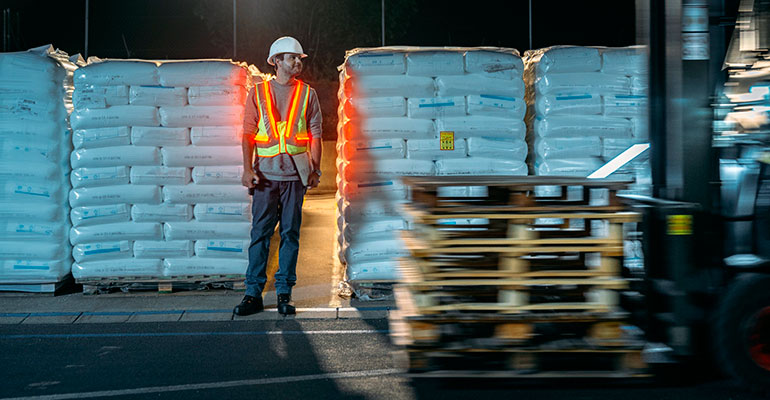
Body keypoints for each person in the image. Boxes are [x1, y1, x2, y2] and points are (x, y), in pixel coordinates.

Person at [234, 36, 323, 316]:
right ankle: (253, 294)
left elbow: (316, 135)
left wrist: (315, 169)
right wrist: (247, 169)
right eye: (292, 58)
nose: (297, 62)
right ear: (277, 62)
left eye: (299, 58)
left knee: (290, 234)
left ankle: (284, 293)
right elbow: (248, 133)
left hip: (296, 177)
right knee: (260, 234)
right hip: (264, 176)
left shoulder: (308, 93)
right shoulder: (257, 92)